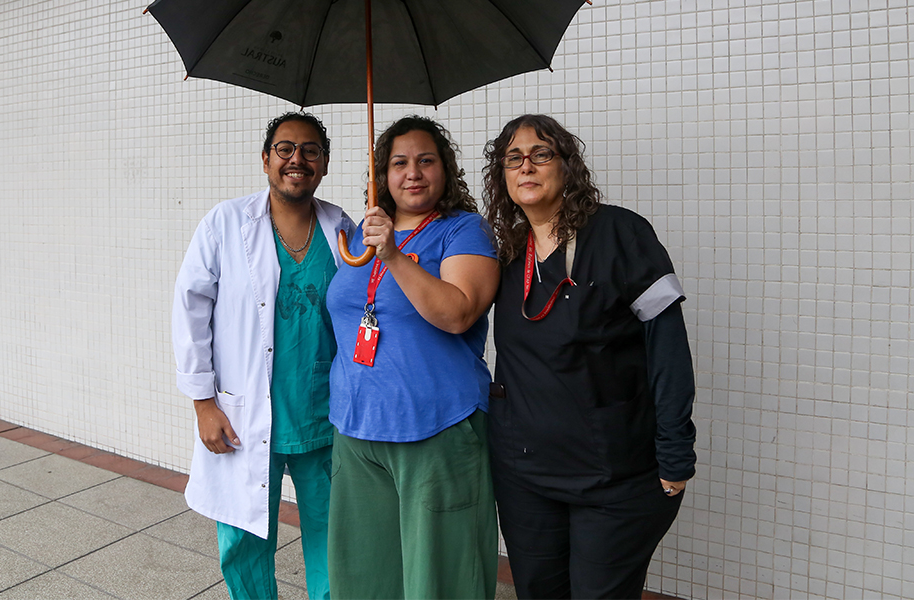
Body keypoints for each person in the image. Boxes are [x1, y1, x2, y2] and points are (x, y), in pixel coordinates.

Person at [481, 114, 697, 600]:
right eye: (513, 158)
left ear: (567, 166)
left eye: (541, 154)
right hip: (525, 477)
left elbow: (667, 348)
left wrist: (675, 451)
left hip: (613, 478)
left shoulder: (621, 233)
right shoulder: (508, 252)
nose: (526, 166)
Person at [171, 111, 355, 600]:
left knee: (336, 541)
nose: (298, 159)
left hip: (323, 415)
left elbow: (366, 306)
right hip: (244, 414)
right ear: (266, 159)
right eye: (285, 149)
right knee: (243, 542)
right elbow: (189, 310)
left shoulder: (341, 227)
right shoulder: (226, 223)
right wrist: (203, 403)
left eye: (311, 150)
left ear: (325, 163)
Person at [325, 115, 501, 600]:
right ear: (382, 174)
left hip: (436, 426)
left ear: (445, 170)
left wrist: (394, 257)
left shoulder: (464, 231)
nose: (413, 173)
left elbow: (458, 313)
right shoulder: (361, 235)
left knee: (441, 578)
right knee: (366, 575)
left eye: (426, 161)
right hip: (356, 426)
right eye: (399, 163)